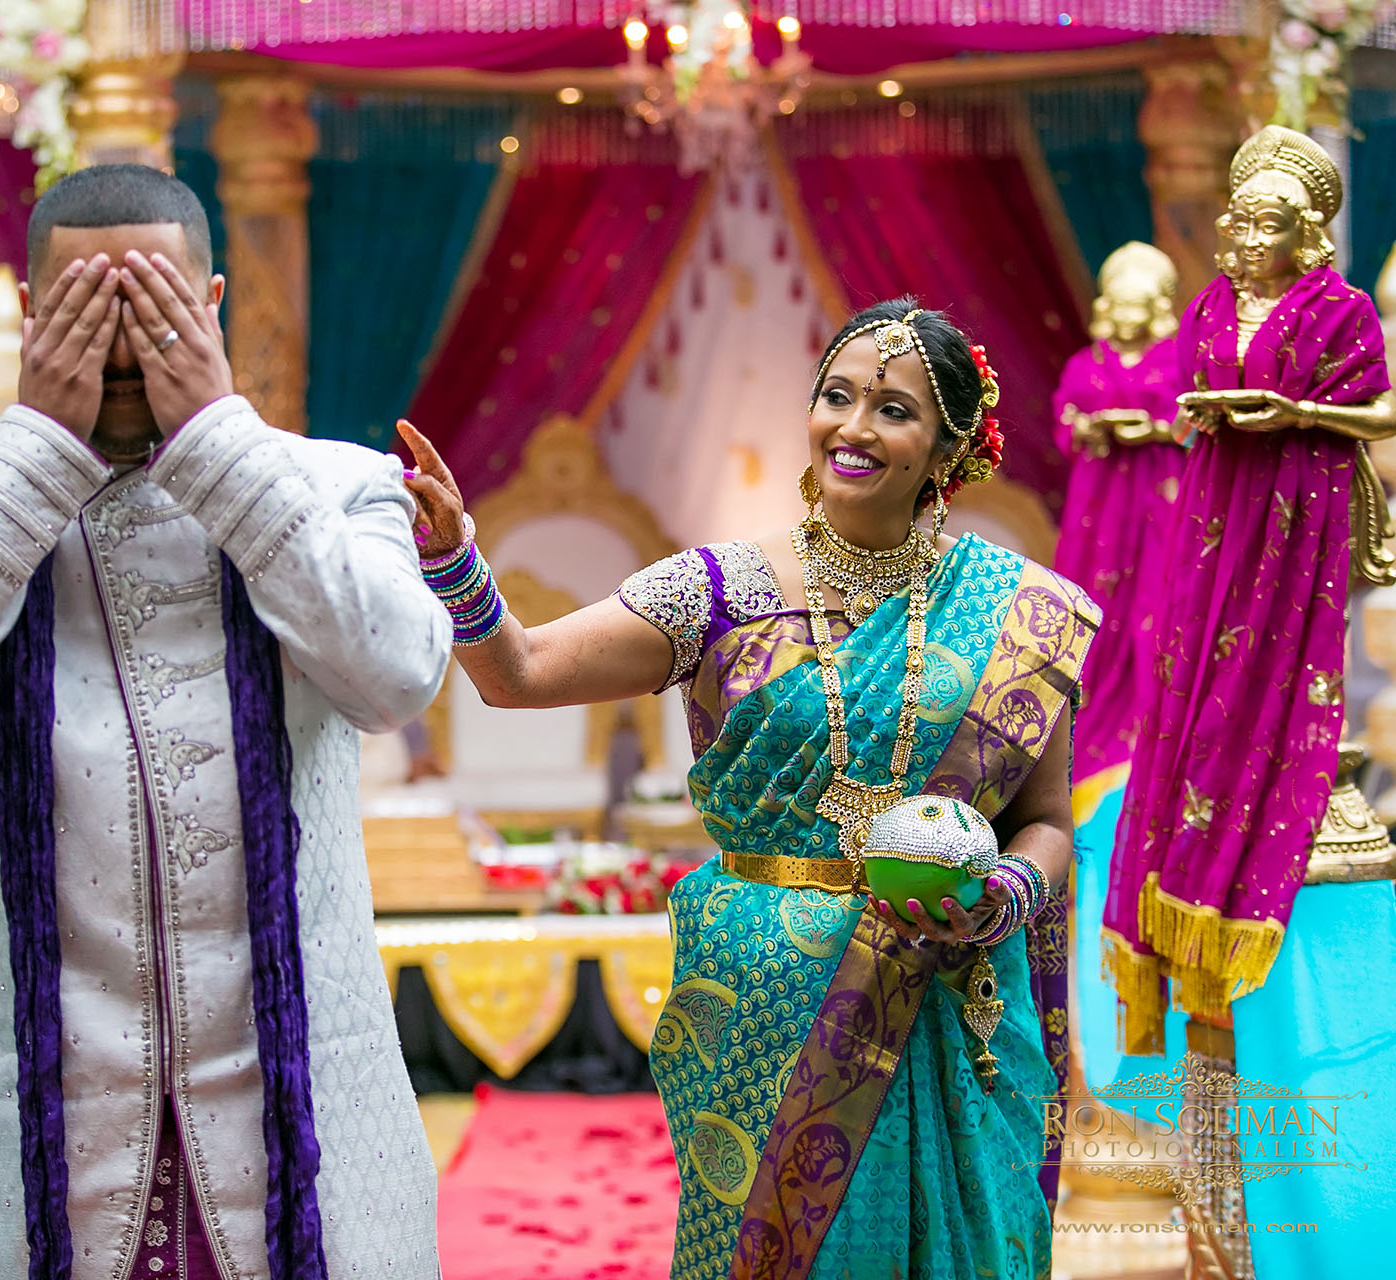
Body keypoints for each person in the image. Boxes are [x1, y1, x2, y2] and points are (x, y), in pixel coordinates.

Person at [0, 164, 448, 1280]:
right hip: (43, 1118)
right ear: (29, 317)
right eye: (83, 311)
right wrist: (31, 460)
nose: (119, 347)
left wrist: (213, 437)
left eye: (151, 307)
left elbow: (397, 673)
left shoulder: (336, 488)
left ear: (209, 305)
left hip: (295, 1112)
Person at [401, 299, 1096, 1280]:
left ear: (949, 445)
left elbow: (1047, 822)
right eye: (837, 396)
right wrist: (452, 555)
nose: (853, 426)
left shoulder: (1021, 611)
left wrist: (1004, 896)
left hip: (943, 991)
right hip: (763, 998)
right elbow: (519, 671)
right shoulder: (718, 590)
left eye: (893, 408)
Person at [1104, 125, 1396, 1279]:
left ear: (1310, 231)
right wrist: (1209, 414)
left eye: (1264, 221)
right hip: (1215, 523)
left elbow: (1380, 414)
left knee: (1277, 692)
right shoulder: (1216, 301)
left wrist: (1297, 418)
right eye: (1235, 216)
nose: (1240, 236)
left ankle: (1282, 793)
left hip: (1297, 520)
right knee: (1190, 689)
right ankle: (1216, 1241)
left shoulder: (1341, 314)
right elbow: (1185, 401)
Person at [1049, 241, 1191, 1092]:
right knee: (1099, 618)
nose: (1133, 314)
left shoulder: (1175, 359)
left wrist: (1153, 427)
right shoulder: (1086, 361)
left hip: (1160, 504)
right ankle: (1098, 737)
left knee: (1159, 618)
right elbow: (1066, 421)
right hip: (1102, 511)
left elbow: (1190, 420)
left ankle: (1156, 727)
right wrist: (1099, 430)